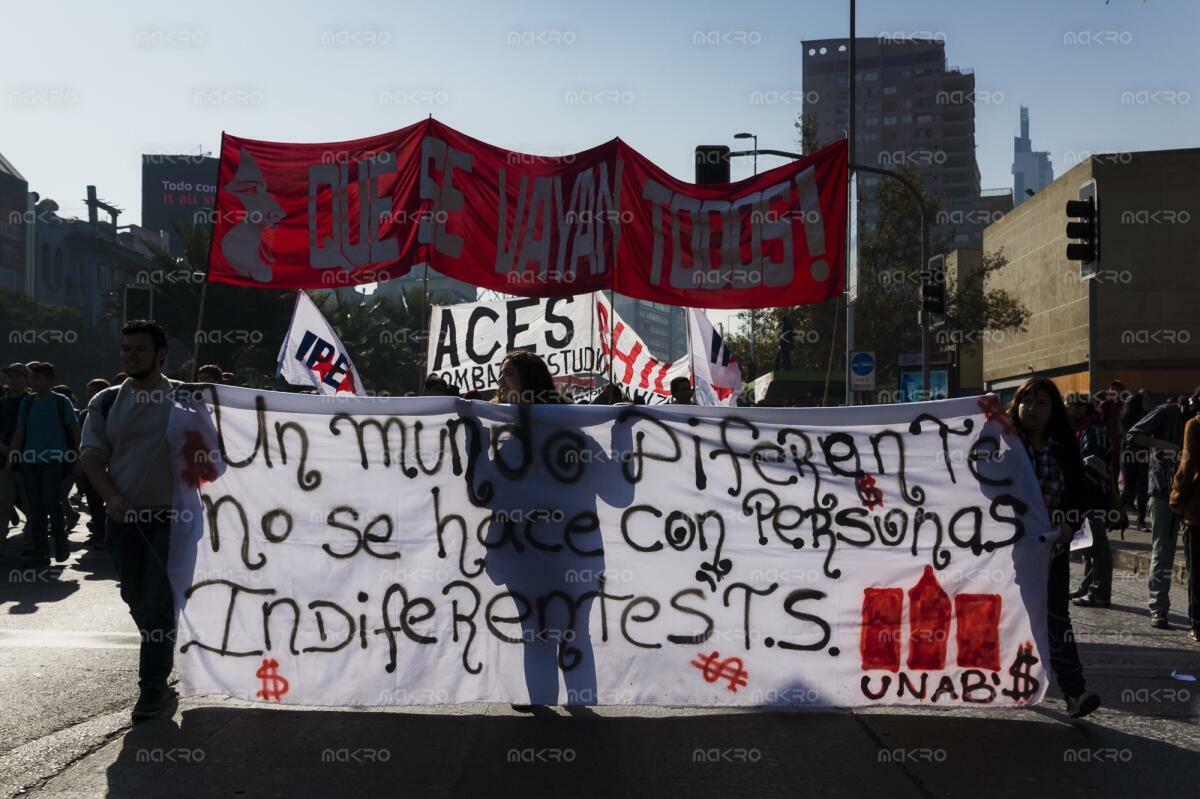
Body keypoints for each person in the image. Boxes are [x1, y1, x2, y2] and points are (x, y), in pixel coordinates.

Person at [81, 320, 181, 721]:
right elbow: (91, 456)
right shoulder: (105, 402)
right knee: (135, 598)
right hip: (122, 522)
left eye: (139, 349)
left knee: (157, 603)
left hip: (172, 520)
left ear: (160, 355)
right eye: (125, 349)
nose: (130, 356)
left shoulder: (184, 400)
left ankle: (151, 687)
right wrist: (111, 497)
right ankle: (162, 647)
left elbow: (214, 456)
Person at [1008, 377, 1101, 718]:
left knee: (1056, 619)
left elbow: (1078, 493)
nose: (1032, 408)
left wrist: (1068, 527)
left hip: (1051, 552)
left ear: (1054, 410)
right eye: (1026, 401)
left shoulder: (1063, 448)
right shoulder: (1003, 444)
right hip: (1003, 555)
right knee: (1006, 616)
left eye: (1042, 402)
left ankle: (1075, 693)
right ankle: (1000, 680)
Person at [1127, 387, 1198, 628]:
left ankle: (1194, 613)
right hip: (1163, 491)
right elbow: (1133, 435)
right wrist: (1166, 445)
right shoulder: (1166, 412)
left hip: (1193, 496)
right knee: (1163, 551)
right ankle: (1159, 607)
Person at [6, 362, 81, 567]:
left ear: (49, 380)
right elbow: (20, 430)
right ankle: (40, 550)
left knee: (51, 500)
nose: (33, 382)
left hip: (54, 460)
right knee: (35, 507)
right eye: (31, 378)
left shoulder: (61, 402)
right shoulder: (28, 402)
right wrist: (13, 455)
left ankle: (60, 541)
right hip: (30, 460)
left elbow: (75, 430)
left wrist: (79, 456)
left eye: (37, 378)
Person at [1066, 395, 1113, 607]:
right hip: (1084, 494)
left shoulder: (1092, 431)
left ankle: (1100, 591)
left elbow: (1094, 465)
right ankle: (1087, 586)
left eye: (1069, 406)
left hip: (1092, 495)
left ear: (1081, 408)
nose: (1066, 410)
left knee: (1097, 545)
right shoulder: (1082, 429)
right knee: (1087, 543)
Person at [1169, 403, 1200, 644]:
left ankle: (1198, 626)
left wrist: (1176, 496)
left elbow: (1187, 466)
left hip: (1197, 511)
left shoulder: (1195, 424)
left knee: (1197, 572)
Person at [0, 363, 33, 560]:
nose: (12, 380)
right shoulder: (1, 403)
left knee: (31, 505)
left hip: (30, 461)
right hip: (4, 462)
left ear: (26, 379)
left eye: (17, 376)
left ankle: (31, 543)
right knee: (3, 503)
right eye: (9, 376)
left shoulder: (33, 402)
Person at [76, 378, 111, 542]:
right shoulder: (85, 414)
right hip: (91, 463)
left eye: (94, 391)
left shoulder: (113, 410)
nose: (91, 395)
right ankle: (98, 530)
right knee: (93, 500)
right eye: (89, 392)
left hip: (112, 463)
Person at [1120, 390, 1152, 532]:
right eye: (1143, 401)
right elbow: (1129, 436)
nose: (1146, 403)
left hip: (1143, 455)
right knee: (1129, 490)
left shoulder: (1146, 415)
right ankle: (1116, 513)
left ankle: (1141, 520)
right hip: (1129, 455)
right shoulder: (1125, 417)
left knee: (1143, 488)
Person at [492, 351, 565, 405]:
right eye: (500, 374)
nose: (499, 380)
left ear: (530, 379)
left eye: (508, 373)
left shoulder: (568, 416)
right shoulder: (490, 415)